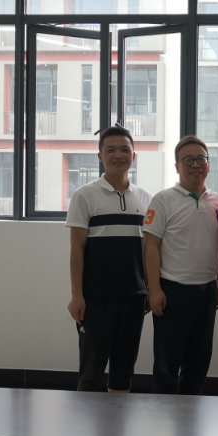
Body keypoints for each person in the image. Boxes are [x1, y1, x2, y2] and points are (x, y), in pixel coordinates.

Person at [66, 126, 151, 392]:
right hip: (96, 299)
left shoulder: (145, 198)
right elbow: (77, 249)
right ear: (100, 156)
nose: (118, 155)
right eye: (111, 150)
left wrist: (150, 289)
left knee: (123, 372)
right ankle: (85, 421)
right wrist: (77, 295)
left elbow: (149, 250)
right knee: (91, 373)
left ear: (134, 156)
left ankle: (118, 418)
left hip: (134, 298)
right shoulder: (84, 196)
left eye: (125, 150)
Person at [143, 136, 218, 395]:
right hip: (172, 293)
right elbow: (151, 246)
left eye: (201, 159)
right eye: (188, 159)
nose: (195, 164)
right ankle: (165, 413)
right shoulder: (163, 200)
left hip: (207, 291)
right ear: (177, 166)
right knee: (167, 363)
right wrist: (154, 289)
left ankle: (192, 412)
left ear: (208, 165)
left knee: (199, 361)